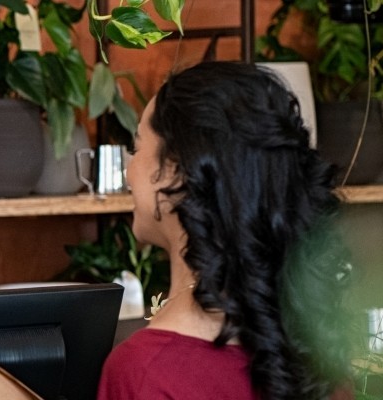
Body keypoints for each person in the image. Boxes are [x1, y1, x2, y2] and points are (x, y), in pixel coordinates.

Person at [99, 62, 355, 400]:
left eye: (137, 147)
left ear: (175, 171)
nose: (129, 171)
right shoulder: (316, 348)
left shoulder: (145, 371)